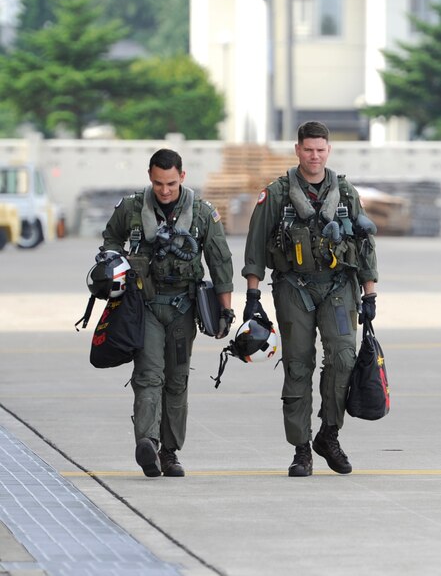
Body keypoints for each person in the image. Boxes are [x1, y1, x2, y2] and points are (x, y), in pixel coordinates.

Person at [241, 121, 378, 477]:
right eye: (308, 149)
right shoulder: (277, 193)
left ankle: (328, 433)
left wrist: (370, 294)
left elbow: (365, 245)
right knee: (297, 365)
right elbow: (255, 247)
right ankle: (301, 449)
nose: (314, 156)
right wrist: (253, 295)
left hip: (338, 289)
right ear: (297, 150)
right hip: (294, 288)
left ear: (328, 150)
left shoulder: (346, 193)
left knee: (344, 357)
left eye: (320, 149)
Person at [100, 148, 234, 478]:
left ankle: (170, 452)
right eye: (159, 183)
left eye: (171, 184)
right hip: (143, 307)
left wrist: (226, 312)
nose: (164, 190)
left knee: (177, 380)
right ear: (150, 176)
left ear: (182, 177)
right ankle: (147, 441)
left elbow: (221, 264)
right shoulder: (131, 209)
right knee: (148, 376)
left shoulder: (202, 214)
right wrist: (112, 265)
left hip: (184, 309)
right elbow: (110, 239)